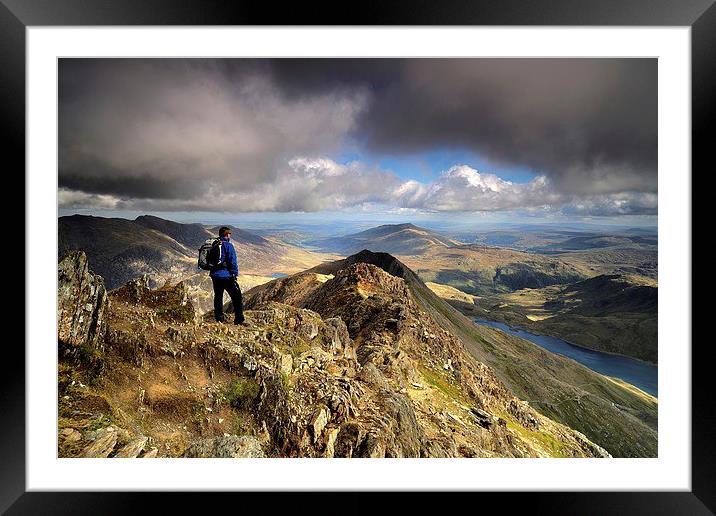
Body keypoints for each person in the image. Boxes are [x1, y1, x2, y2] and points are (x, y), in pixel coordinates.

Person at [210, 226, 246, 325]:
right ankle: (239, 320)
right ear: (227, 235)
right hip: (226, 276)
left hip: (215, 276)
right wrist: (235, 274)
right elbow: (232, 261)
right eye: (229, 234)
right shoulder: (228, 246)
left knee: (218, 296)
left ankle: (219, 319)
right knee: (237, 297)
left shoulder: (214, 244)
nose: (230, 235)